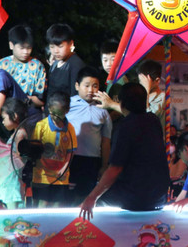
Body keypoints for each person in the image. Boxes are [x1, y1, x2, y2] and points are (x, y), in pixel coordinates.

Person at [80, 83, 169, 215]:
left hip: (134, 198)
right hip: (159, 197)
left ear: (121, 103)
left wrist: (91, 197)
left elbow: (115, 168)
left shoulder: (124, 128)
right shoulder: (154, 121)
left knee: (93, 192)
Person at [66, 67, 112, 204]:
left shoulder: (103, 111)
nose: (91, 90)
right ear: (77, 86)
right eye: (86, 86)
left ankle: (83, 225)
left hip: (92, 162)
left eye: (95, 86)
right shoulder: (67, 105)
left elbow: (105, 141)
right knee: (68, 198)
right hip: (70, 160)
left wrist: (104, 166)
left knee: (87, 197)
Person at [31, 93, 76, 207]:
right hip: (42, 176)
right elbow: (35, 149)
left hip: (61, 177)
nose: (55, 117)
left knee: (57, 205)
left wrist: (64, 168)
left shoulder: (70, 129)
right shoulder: (41, 126)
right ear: (49, 109)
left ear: (67, 111)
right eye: (53, 114)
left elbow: (70, 152)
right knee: (42, 205)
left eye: (59, 114)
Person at [0, 25, 47, 110]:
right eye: (22, 48)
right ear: (11, 45)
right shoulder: (2, 64)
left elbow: (41, 100)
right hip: (5, 112)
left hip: (29, 113)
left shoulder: (37, 66)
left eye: (29, 48)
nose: (26, 52)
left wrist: (25, 99)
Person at [0, 99, 29, 209]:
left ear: (14, 116)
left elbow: (19, 156)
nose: (3, 122)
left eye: (4, 118)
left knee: (11, 200)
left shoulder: (20, 134)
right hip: (10, 173)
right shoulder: (16, 132)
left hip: (13, 174)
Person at [47, 23, 86, 101]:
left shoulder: (76, 65)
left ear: (71, 44)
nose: (55, 51)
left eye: (60, 46)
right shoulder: (56, 62)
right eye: (52, 47)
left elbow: (75, 96)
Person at [137, 60, 166, 132]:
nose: (141, 84)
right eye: (140, 81)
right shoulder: (139, 95)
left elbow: (149, 118)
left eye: (144, 82)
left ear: (157, 81)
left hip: (154, 140)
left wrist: (146, 89)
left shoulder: (162, 97)